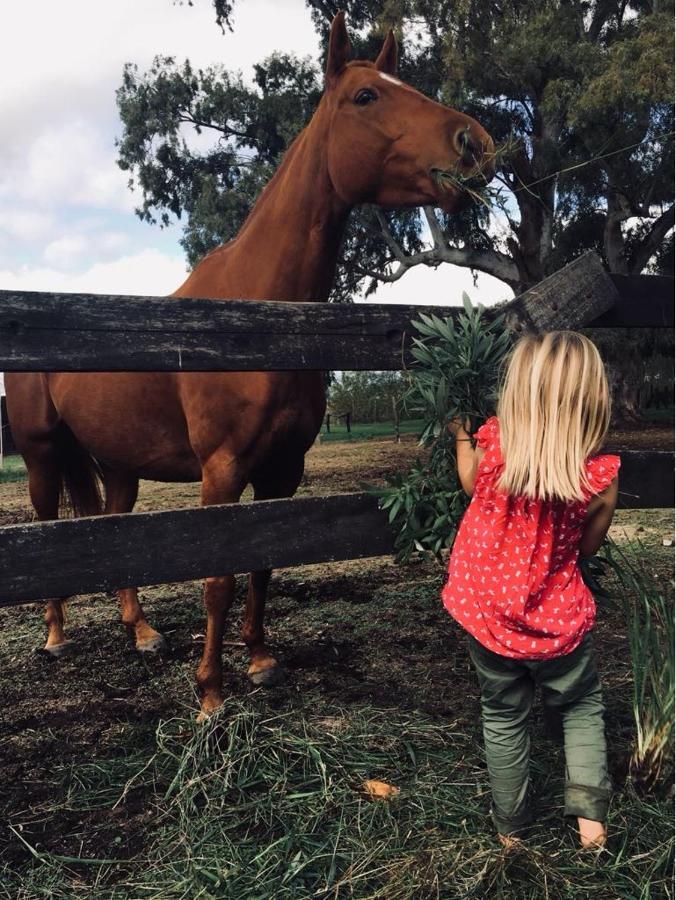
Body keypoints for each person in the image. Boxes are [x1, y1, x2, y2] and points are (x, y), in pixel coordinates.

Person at [441, 331, 620, 850]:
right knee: (582, 706)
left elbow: (470, 484)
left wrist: (459, 434)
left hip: (490, 616)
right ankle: (591, 824)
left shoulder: (494, 447)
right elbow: (587, 549)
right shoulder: (598, 476)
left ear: (518, 392)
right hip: (558, 619)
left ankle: (511, 832)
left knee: (502, 713)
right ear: (593, 401)